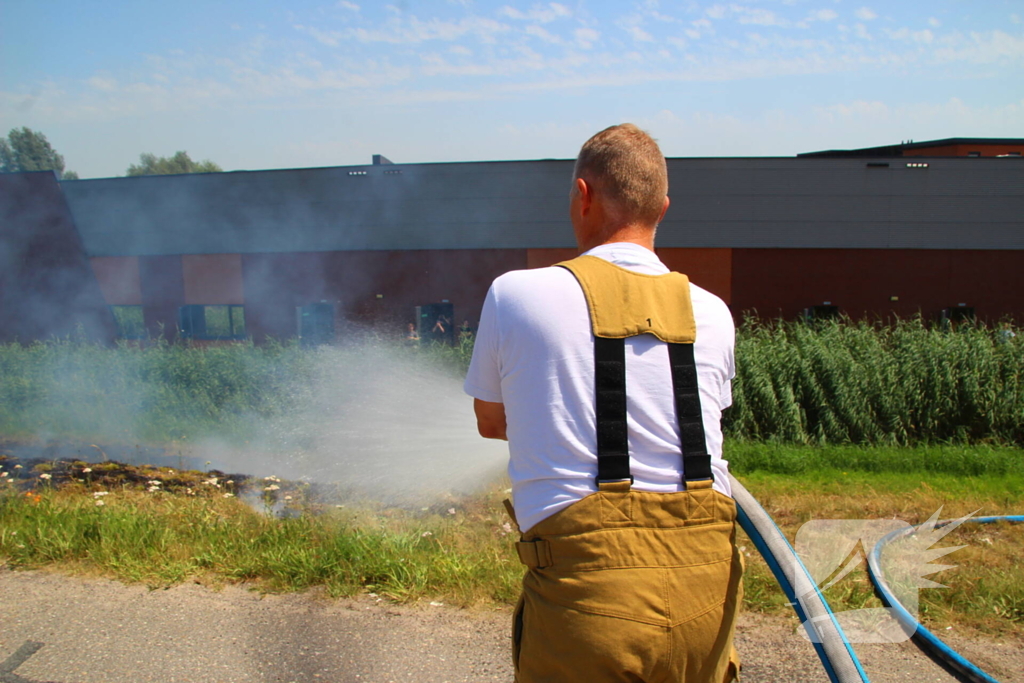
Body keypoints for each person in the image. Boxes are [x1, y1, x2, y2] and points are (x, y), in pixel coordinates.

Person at [464, 124, 741, 682]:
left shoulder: (515, 293)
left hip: (590, 600)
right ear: (662, 207)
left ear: (583, 196)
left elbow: (492, 422)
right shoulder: (714, 312)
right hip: (709, 598)